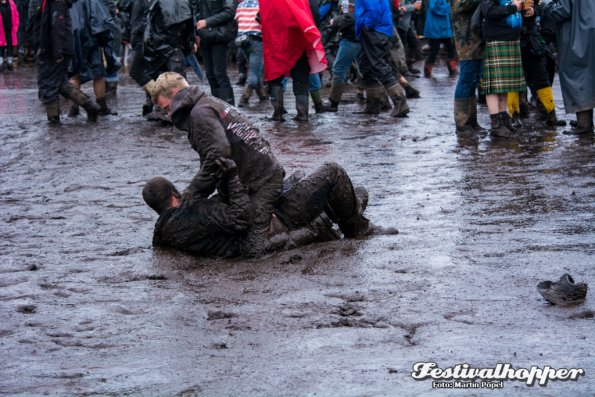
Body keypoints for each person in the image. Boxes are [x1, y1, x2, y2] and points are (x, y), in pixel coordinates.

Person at [152, 71, 285, 257]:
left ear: (175, 93)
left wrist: (193, 191)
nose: (168, 115)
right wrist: (199, 195)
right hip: (253, 173)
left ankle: (313, 230)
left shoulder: (200, 113)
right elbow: (210, 159)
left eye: (166, 108)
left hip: (262, 179)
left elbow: (219, 154)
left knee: (255, 248)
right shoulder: (204, 103)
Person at [143, 160, 394, 257]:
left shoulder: (164, 232)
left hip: (267, 220)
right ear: (175, 194)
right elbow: (241, 217)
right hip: (272, 222)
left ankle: (347, 212)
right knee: (335, 174)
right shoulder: (190, 214)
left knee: (299, 177)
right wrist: (231, 178)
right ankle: (357, 227)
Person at [34, 0, 101, 124]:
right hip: (53, 48)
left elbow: (58, 26)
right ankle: (90, 106)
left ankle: (53, 121)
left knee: (48, 85)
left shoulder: (57, 2)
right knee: (60, 83)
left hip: (54, 49)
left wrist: (57, 52)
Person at [259, 0, 327, 122]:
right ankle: (302, 114)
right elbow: (315, 13)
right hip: (298, 38)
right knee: (301, 76)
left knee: (275, 76)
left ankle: (277, 114)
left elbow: (261, 16)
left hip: (276, 40)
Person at [128, 0, 194, 116]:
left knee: (170, 76)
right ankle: (160, 104)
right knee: (158, 73)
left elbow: (184, 19)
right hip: (152, 41)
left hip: (158, 41)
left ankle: (164, 104)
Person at [541, 0, 594, 135]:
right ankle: (586, 120)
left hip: (577, 35)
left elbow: (562, 11)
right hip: (589, 32)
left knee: (577, 76)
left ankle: (584, 124)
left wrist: (545, 4)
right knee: (588, 75)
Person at [480, 0, 526, 138]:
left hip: (512, 40)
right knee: (493, 86)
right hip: (497, 40)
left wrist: (526, 11)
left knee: (505, 86)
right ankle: (496, 124)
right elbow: (489, 11)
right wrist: (513, 8)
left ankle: (504, 120)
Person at [355, 0, 409, 116]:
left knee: (378, 65)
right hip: (376, 29)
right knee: (366, 66)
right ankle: (373, 105)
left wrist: (366, 25)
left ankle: (400, 102)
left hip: (374, 30)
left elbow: (374, 10)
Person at [67, 0, 119, 117]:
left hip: (72, 37)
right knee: (98, 74)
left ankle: (74, 108)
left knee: (75, 74)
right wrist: (103, 41)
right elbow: (99, 20)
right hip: (90, 38)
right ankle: (102, 107)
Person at [451, 0, 486, 134]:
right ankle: (462, 122)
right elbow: (459, 6)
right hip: (465, 38)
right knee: (467, 78)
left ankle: (472, 121)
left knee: (474, 79)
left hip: (477, 36)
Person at [193, 0, 237, 105]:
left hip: (219, 36)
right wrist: (196, 34)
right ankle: (218, 108)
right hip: (205, 36)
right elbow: (196, 12)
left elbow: (230, 11)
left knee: (219, 73)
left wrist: (207, 22)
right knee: (211, 75)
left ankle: (229, 109)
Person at [234, 0, 267, 108]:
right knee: (254, 71)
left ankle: (262, 95)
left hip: (242, 42)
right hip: (256, 41)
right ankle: (244, 99)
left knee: (255, 68)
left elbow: (238, 22)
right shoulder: (261, 5)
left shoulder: (241, 5)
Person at [422, 0, 458, 77]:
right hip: (435, 27)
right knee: (435, 49)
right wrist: (448, 7)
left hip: (444, 28)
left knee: (450, 48)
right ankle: (427, 71)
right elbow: (433, 8)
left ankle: (453, 70)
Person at [0, 0, 19, 71]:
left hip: (10, 29)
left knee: (10, 44)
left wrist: (15, 27)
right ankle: (1, 60)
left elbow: (16, 15)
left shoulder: (11, 3)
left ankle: (9, 60)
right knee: (1, 45)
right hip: (1, 30)